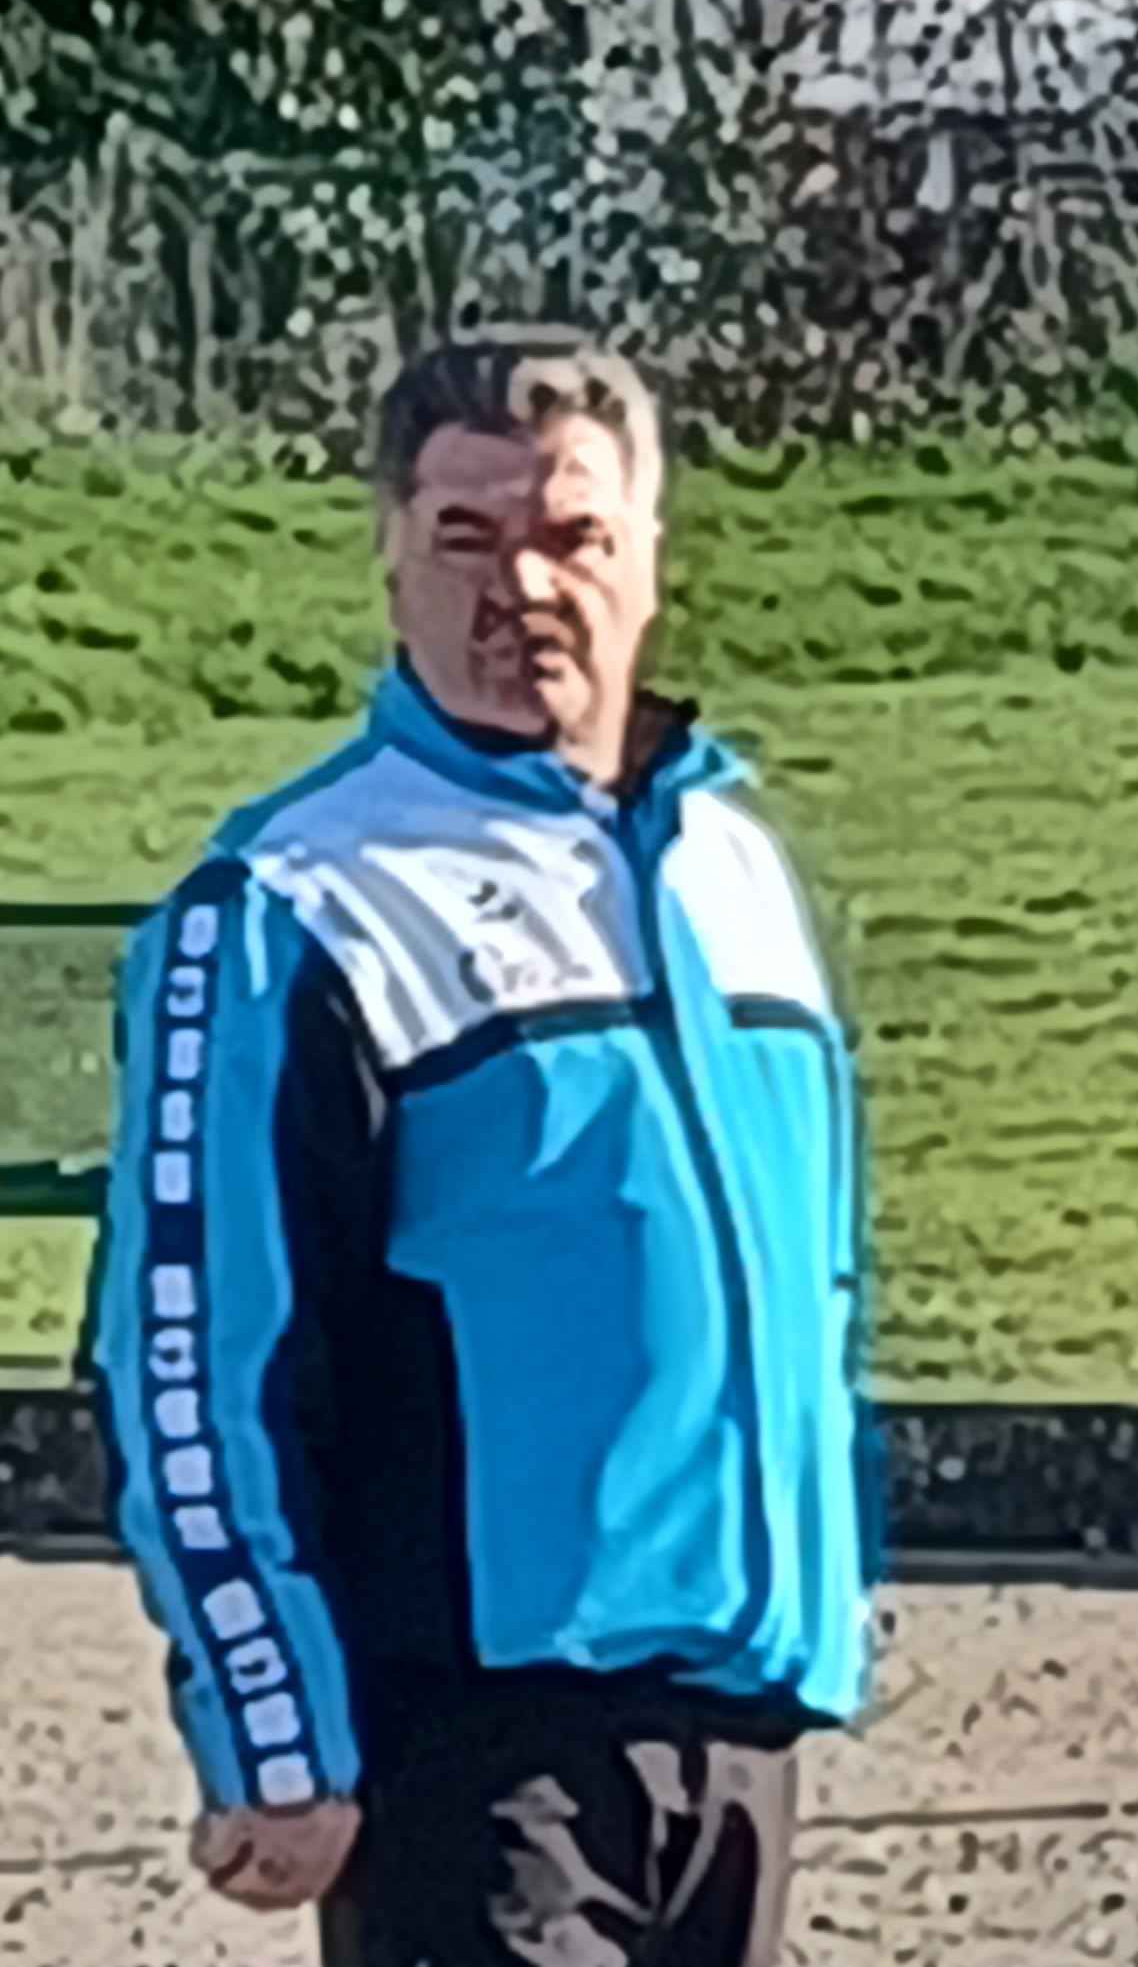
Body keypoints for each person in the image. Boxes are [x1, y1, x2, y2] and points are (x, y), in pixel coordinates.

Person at [82, 328, 880, 1966]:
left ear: (650, 552)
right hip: (472, 1738)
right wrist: (273, 1731)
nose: (521, 582)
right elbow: (192, 1366)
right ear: (390, 554)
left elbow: (818, 1283)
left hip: (737, 1725)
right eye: (466, 534)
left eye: (572, 532)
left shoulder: (734, 865)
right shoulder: (296, 903)